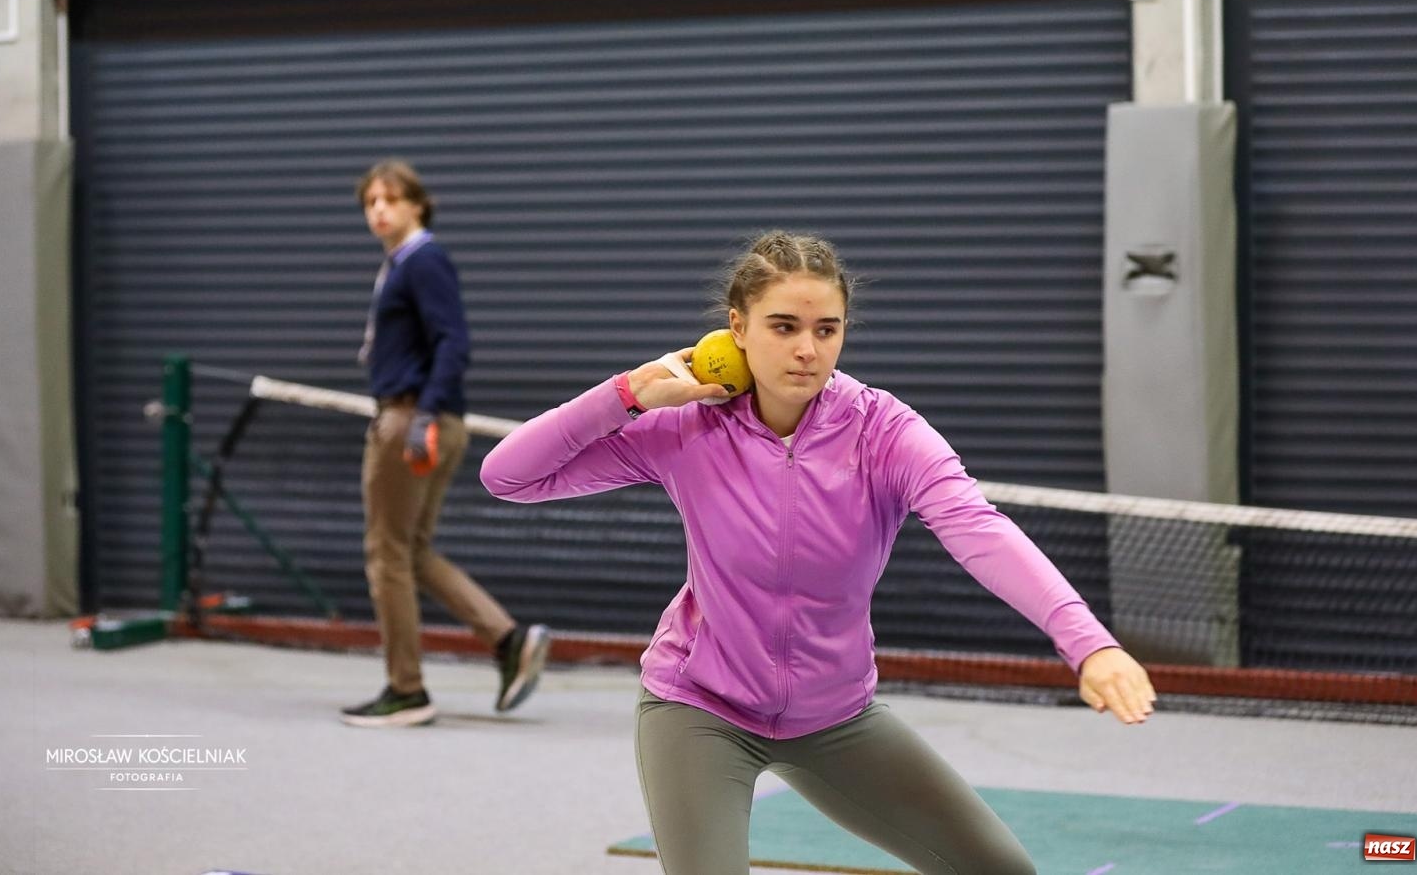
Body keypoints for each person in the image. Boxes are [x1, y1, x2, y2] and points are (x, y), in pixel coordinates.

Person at [480, 231, 1156, 875]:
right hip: (700, 709)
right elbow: (508, 476)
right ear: (736, 328)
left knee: (1001, 869)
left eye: (826, 330)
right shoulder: (686, 427)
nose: (807, 349)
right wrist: (628, 395)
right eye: (783, 327)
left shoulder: (885, 431)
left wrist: (1088, 644)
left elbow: (978, 528)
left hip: (835, 717)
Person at [340, 158, 549, 727]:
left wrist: (422, 417)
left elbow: (453, 341)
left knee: (386, 554)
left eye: (390, 199)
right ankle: (508, 639)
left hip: (411, 418)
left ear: (417, 205)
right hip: (422, 416)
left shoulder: (423, 259)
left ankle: (406, 690)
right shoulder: (402, 263)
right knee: (410, 550)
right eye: (370, 202)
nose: (378, 210)